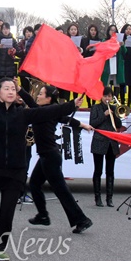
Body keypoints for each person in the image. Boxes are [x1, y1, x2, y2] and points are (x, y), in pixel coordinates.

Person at [0, 77, 83, 261]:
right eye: (7, 88)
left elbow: (49, 112)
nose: (11, 91)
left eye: (14, 88)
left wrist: (72, 104)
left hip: (15, 172)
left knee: (6, 214)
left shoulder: (24, 115)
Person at [17, 83, 94, 233]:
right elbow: (66, 119)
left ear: (49, 98)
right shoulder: (43, 112)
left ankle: (82, 219)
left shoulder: (49, 111)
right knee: (34, 184)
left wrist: (73, 105)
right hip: (47, 156)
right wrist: (83, 125)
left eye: (41, 94)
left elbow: (60, 111)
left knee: (61, 190)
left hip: (50, 157)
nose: (38, 96)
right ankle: (43, 215)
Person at [90, 86, 122, 207]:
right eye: (105, 96)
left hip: (111, 143)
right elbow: (93, 123)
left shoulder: (115, 108)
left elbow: (119, 125)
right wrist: (104, 114)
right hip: (99, 141)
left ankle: (109, 198)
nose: (107, 98)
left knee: (110, 171)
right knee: (98, 170)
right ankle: (97, 197)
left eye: (109, 96)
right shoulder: (96, 108)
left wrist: (115, 115)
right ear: (101, 97)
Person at [101, 25, 126, 102]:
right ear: (108, 31)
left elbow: (124, 53)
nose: (113, 32)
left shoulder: (119, 41)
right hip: (107, 65)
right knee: (106, 83)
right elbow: (102, 51)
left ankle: (115, 100)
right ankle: (104, 99)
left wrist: (122, 46)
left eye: (114, 30)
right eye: (111, 30)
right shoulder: (104, 40)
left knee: (116, 83)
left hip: (116, 65)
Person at [81, 24, 102, 107]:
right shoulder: (84, 40)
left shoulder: (99, 40)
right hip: (87, 65)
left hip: (96, 65)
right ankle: (89, 103)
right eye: (91, 30)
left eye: (95, 30)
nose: (93, 32)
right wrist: (87, 49)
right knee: (87, 84)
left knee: (94, 84)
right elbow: (82, 54)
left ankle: (93, 103)